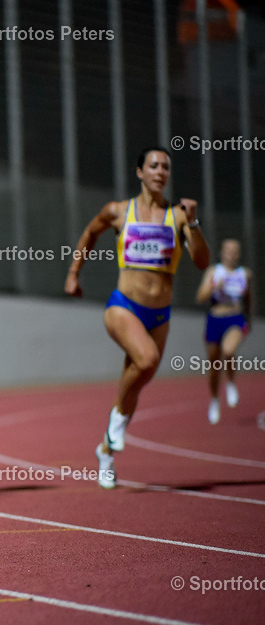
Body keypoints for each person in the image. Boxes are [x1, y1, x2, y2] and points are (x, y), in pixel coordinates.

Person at [65, 146, 209, 489]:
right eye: (154, 165)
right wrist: (73, 273)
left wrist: (194, 222)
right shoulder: (118, 211)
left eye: (166, 167)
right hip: (123, 306)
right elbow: (89, 234)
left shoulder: (177, 216)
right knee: (146, 361)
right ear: (139, 172)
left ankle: (105, 452)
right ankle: (115, 425)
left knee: (137, 378)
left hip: (160, 314)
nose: (160, 171)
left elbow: (202, 262)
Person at [196, 238, 253, 424]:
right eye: (228, 250)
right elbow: (200, 297)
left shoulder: (245, 274)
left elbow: (248, 299)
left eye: (235, 251)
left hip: (235, 318)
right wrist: (213, 286)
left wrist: (249, 319)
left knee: (228, 351)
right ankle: (214, 399)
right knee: (214, 366)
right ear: (222, 252)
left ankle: (230, 382)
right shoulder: (214, 272)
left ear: (239, 253)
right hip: (215, 319)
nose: (231, 254)